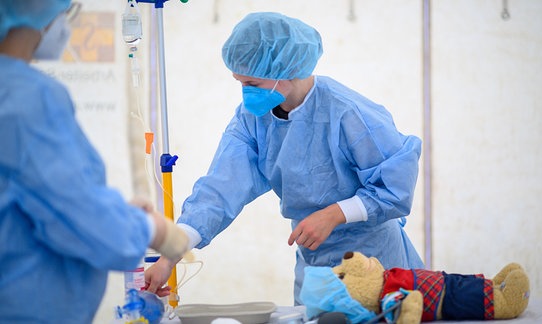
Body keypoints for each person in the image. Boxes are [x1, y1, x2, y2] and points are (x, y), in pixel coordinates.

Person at [145, 11, 424, 305]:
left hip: (376, 263)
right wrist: (170, 256)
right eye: (239, 82)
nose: (245, 93)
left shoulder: (346, 112)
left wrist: (334, 214)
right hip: (315, 266)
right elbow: (218, 191)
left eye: (252, 83)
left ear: (287, 72)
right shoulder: (252, 120)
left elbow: (395, 188)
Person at [0, 1, 190, 322]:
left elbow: (31, 196)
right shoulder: (24, 99)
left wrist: (120, 215)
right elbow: (77, 214)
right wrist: (150, 229)